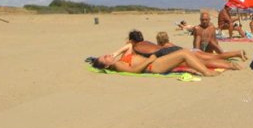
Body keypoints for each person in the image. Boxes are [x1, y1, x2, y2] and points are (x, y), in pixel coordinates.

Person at [120, 29, 245, 70]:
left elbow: (126, 59)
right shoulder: (147, 42)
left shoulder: (134, 47)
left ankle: (229, 65)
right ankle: (235, 56)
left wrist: (128, 45)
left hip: (165, 54)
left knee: (203, 62)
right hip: (174, 49)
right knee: (207, 57)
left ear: (132, 40)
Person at [91, 43, 221, 76]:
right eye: (105, 58)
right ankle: (206, 72)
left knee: (186, 54)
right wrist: (149, 60)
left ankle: (207, 68)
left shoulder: (120, 59)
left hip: (154, 62)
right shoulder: (118, 65)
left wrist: (115, 53)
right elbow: (134, 71)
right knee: (184, 54)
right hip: (152, 66)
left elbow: (129, 45)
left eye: (105, 54)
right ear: (107, 66)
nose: (107, 55)